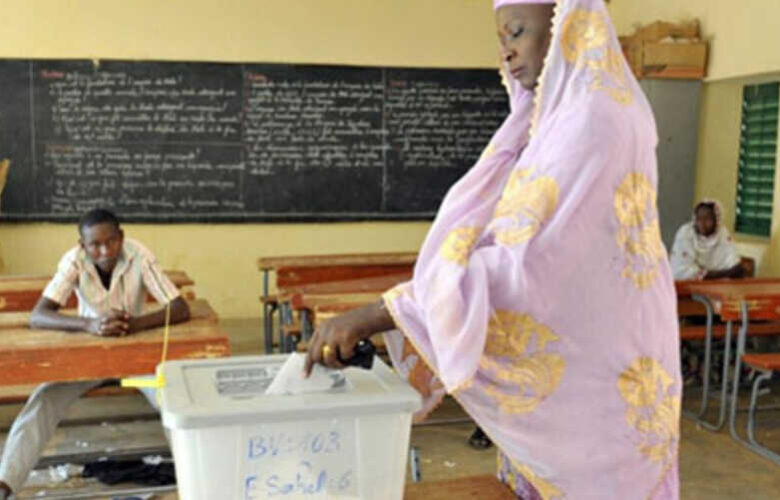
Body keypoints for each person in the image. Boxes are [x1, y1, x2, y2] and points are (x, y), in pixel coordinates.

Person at [305, 1, 681, 498]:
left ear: (568, 24)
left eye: (517, 32)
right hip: (588, 359)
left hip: (598, 380)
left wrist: (382, 312)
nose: (506, 51)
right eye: (501, 38)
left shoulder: (592, 121)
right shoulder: (561, 118)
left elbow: (525, 268)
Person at [0, 208, 190, 499]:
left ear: (122, 238)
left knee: (172, 400)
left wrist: (133, 324)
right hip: (86, 359)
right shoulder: (73, 261)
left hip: (135, 358)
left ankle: (195, 475)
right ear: (83, 246)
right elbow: (39, 315)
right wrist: (89, 324)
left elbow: (179, 308)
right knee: (44, 399)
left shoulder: (139, 255)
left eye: (111, 242)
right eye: (95, 245)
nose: (104, 250)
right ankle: (6, 483)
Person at [670, 200, 746, 280]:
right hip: (687, 287)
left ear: (716, 220)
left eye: (708, 219)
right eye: (699, 218)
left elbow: (734, 265)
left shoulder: (722, 234)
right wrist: (724, 273)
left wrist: (731, 272)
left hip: (715, 286)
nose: (702, 223)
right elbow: (682, 271)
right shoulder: (685, 233)